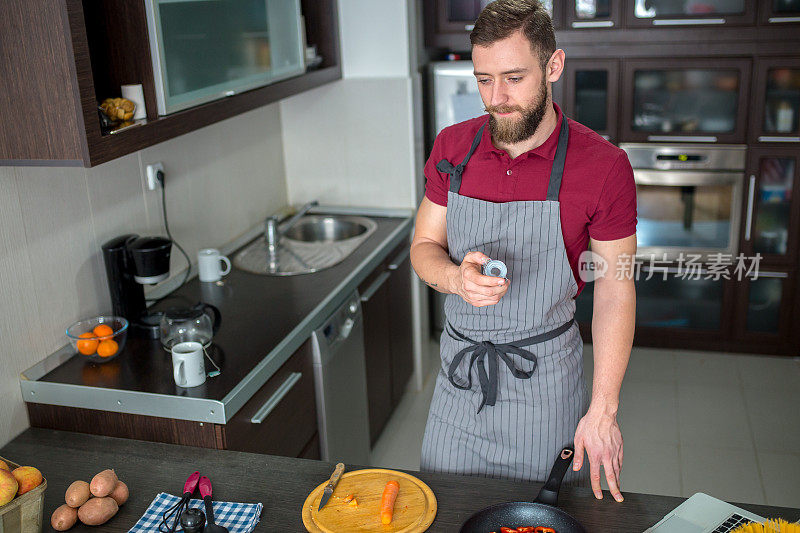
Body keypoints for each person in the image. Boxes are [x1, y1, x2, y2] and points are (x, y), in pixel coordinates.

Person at [412, 0, 636, 503]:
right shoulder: (452, 147)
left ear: (553, 65)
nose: (497, 97)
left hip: (546, 390)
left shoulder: (603, 166)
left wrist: (602, 410)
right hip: (459, 384)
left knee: (542, 516)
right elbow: (424, 245)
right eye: (484, 79)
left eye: (514, 77)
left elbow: (615, 288)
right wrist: (453, 279)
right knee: (444, 511)